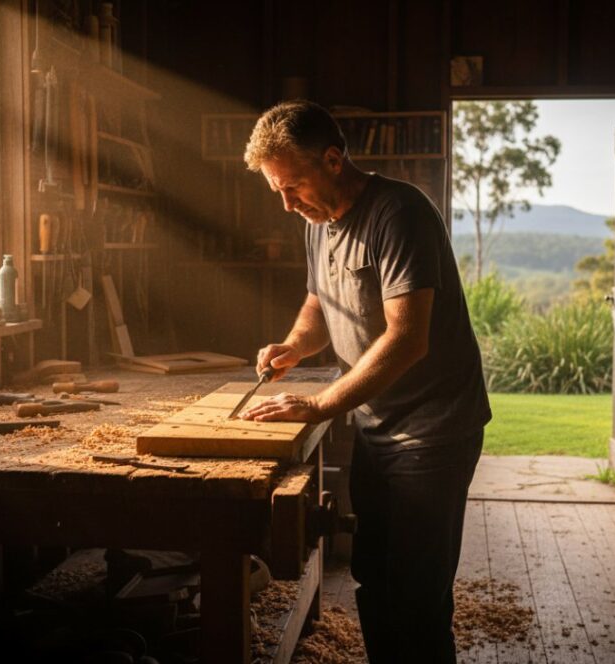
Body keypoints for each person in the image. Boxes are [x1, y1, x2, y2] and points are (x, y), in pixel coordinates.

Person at [239, 100, 491, 663]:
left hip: (434, 431)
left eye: (293, 185)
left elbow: (408, 338)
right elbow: (318, 302)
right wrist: (292, 346)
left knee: (419, 596)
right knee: (374, 578)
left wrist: (318, 405)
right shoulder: (319, 220)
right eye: (277, 189)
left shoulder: (398, 214)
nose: (286, 203)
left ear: (333, 160)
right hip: (380, 427)